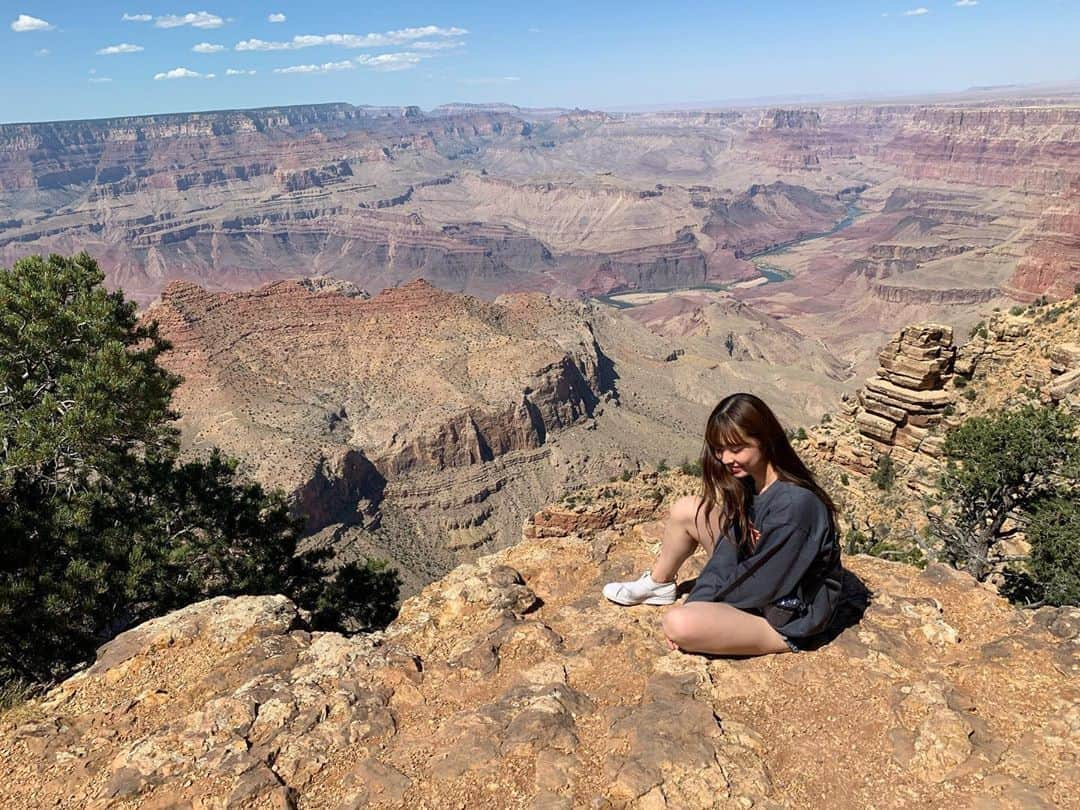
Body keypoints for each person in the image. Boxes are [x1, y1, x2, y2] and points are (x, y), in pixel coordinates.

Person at [602, 392, 842, 655]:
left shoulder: (794, 506)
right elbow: (730, 549)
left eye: (736, 448)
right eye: (719, 449)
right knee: (687, 510)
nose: (726, 459)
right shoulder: (750, 483)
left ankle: (786, 640)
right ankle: (659, 586)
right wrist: (699, 599)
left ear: (765, 440)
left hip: (791, 611)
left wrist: (702, 614)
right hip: (762, 573)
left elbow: (764, 582)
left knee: (678, 624)